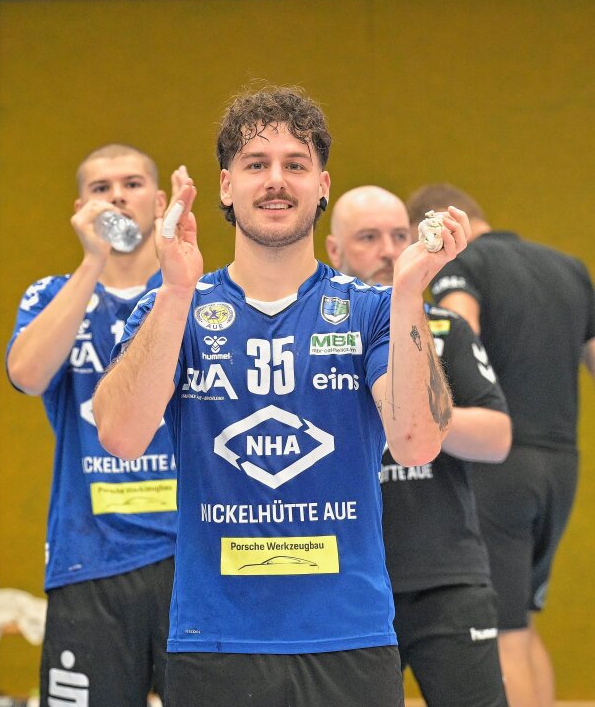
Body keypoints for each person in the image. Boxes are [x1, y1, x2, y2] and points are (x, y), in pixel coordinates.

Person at [92, 85, 470, 707]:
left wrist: (409, 295)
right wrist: (176, 291)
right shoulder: (175, 308)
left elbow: (416, 442)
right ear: (224, 185)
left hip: (349, 639)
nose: (276, 181)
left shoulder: (373, 309)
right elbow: (122, 437)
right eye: (256, 165)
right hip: (213, 642)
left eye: (295, 165)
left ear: (322, 185)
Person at [325, 185, 511, 707]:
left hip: (444, 578)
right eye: (368, 237)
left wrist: (411, 411)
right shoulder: (315, 338)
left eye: (398, 236)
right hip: (343, 580)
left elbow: (498, 438)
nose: (388, 250)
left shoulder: (446, 329)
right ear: (335, 252)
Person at [414, 183, 595, 707]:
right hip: (562, 464)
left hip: (501, 465)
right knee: (523, 622)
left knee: (502, 630)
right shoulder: (570, 269)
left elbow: (455, 333)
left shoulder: (464, 264)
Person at [7, 144, 176, 706]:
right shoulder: (52, 294)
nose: (118, 196)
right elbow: (27, 375)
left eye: (131, 184)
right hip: (90, 557)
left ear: (160, 201)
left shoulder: (198, 299)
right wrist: (92, 264)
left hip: (193, 559)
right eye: (102, 188)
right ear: (81, 208)